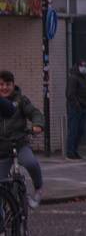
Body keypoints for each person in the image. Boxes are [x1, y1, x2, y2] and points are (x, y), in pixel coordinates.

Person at [0, 70, 45, 207]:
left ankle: (38, 188)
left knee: (31, 163)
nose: (4, 88)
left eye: (8, 84)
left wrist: (37, 124)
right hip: (2, 148)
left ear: (13, 85)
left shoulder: (21, 100)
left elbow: (34, 112)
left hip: (19, 144)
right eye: (1, 84)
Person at [65, 59, 86, 159]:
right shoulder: (73, 78)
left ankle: (74, 151)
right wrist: (77, 105)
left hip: (83, 107)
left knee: (80, 131)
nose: (84, 68)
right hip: (75, 108)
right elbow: (70, 94)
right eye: (82, 66)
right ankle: (70, 151)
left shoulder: (84, 78)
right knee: (74, 130)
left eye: (85, 66)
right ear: (78, 66)